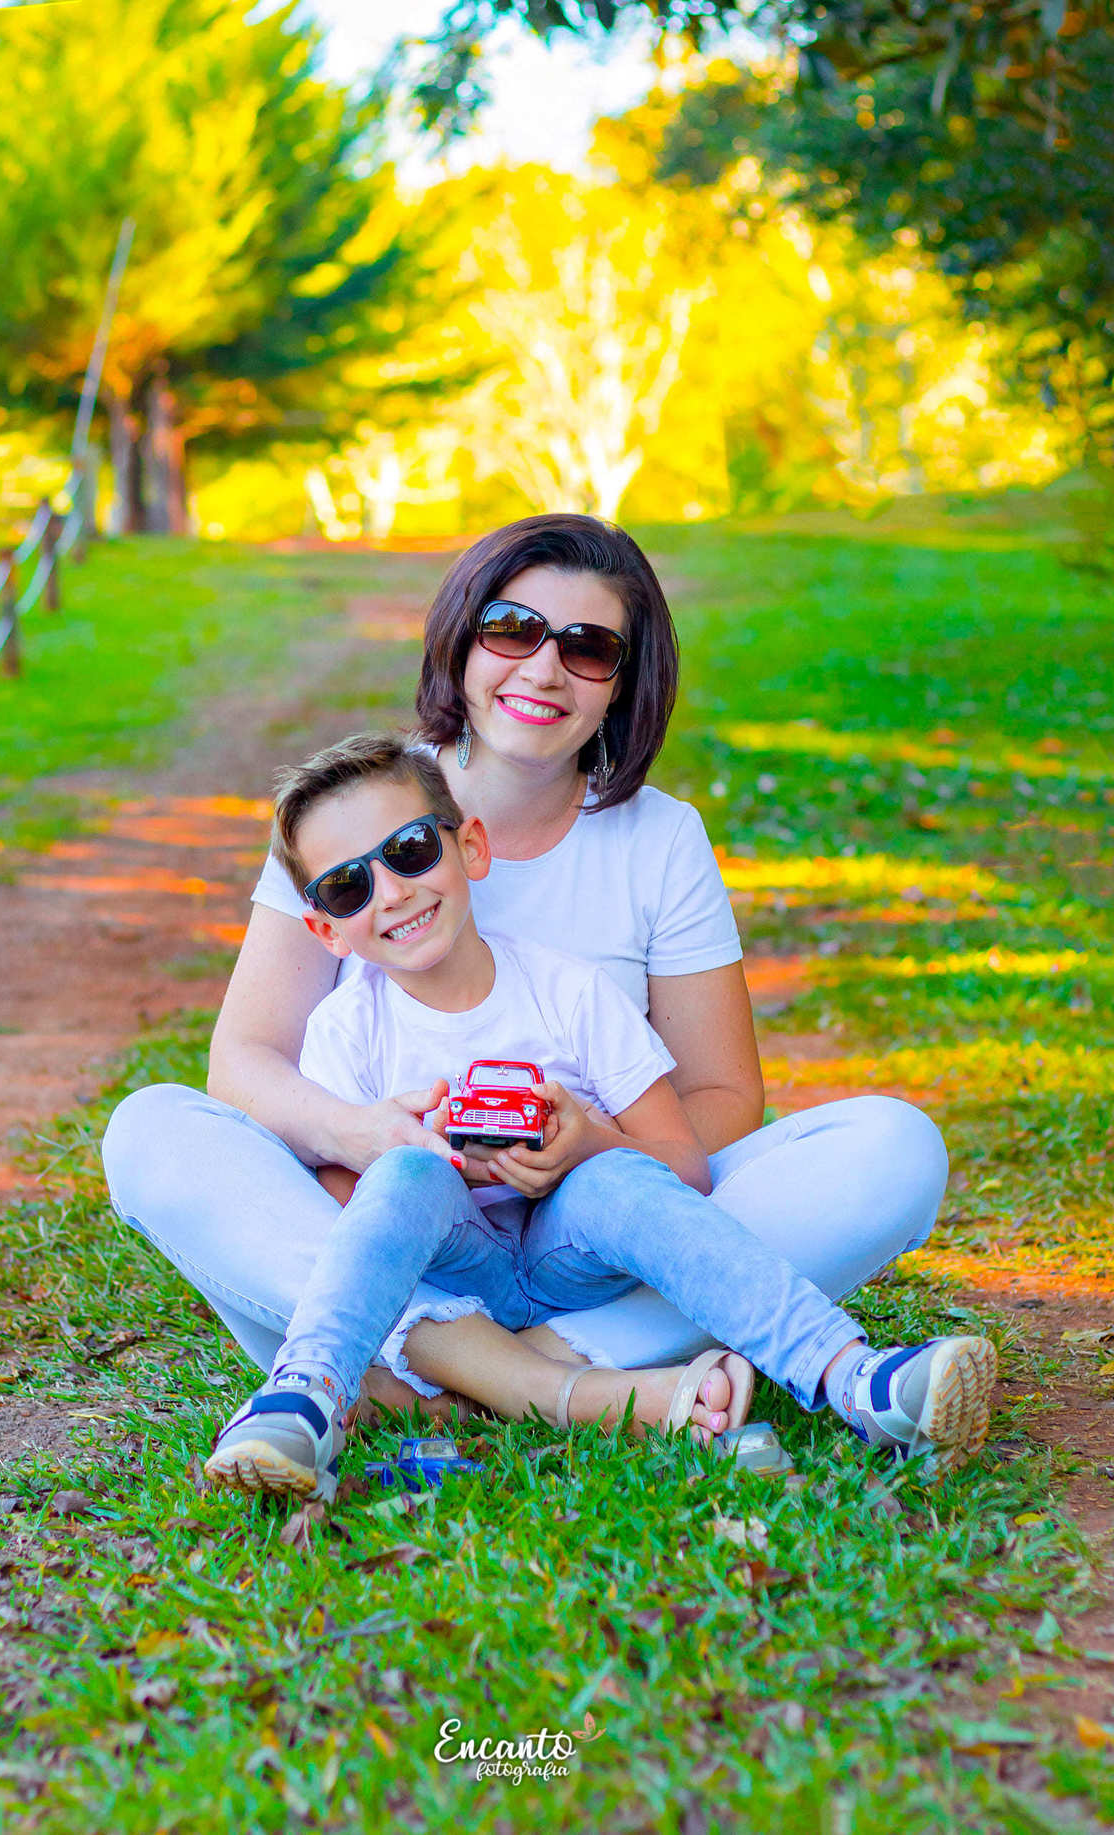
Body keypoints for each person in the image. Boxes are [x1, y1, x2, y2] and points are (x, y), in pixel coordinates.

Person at [102, 513, 954, 1447]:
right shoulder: (360, 816)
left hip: (596, 1235)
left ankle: (448, 1371)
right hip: (411, 1226)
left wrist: (584, 1154)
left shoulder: (658, 839)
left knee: (896, 1148)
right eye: (513, 630)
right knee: (153, 1129)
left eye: (589, 649)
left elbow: (721, 1098)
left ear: (625, 684)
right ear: (465, 640)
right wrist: (371, 1134)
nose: (543, 669)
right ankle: (543, 1382)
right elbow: (247, 1063)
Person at [203, 734, 996, 1502]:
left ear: (470, 847)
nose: (392, 893)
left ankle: (853, 1375)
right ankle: (305, 1394)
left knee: (617, 1173)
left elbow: (683, 1168)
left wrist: (583, 1141)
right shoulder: (346, 1030)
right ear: (322, 926)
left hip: (572, 1262)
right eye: (348, 887)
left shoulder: (570, 992)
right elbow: (344, 1206)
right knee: (403, 1171)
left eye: (410, 850)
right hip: (449, 1281)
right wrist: (419, 1151)